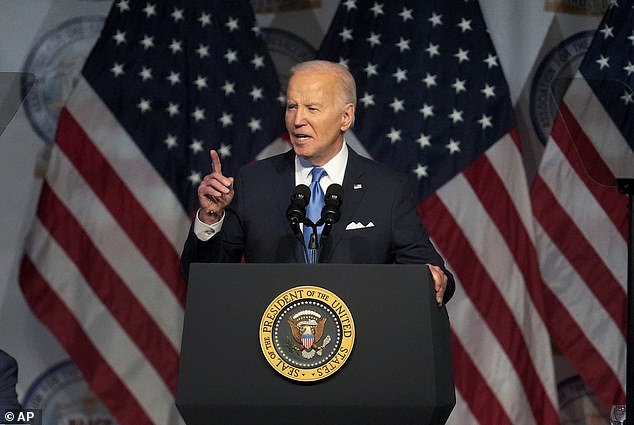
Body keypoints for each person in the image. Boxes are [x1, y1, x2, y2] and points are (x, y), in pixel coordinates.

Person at [180, 60, 455, 305]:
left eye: (312, 108)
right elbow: (201, 278)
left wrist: (433, 278)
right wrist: (211, 217)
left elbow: (433, 275)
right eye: (292, 107)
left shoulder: (387, 189)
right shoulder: (254, 182)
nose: (298, 120)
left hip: (359, 350)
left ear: (345, 117)